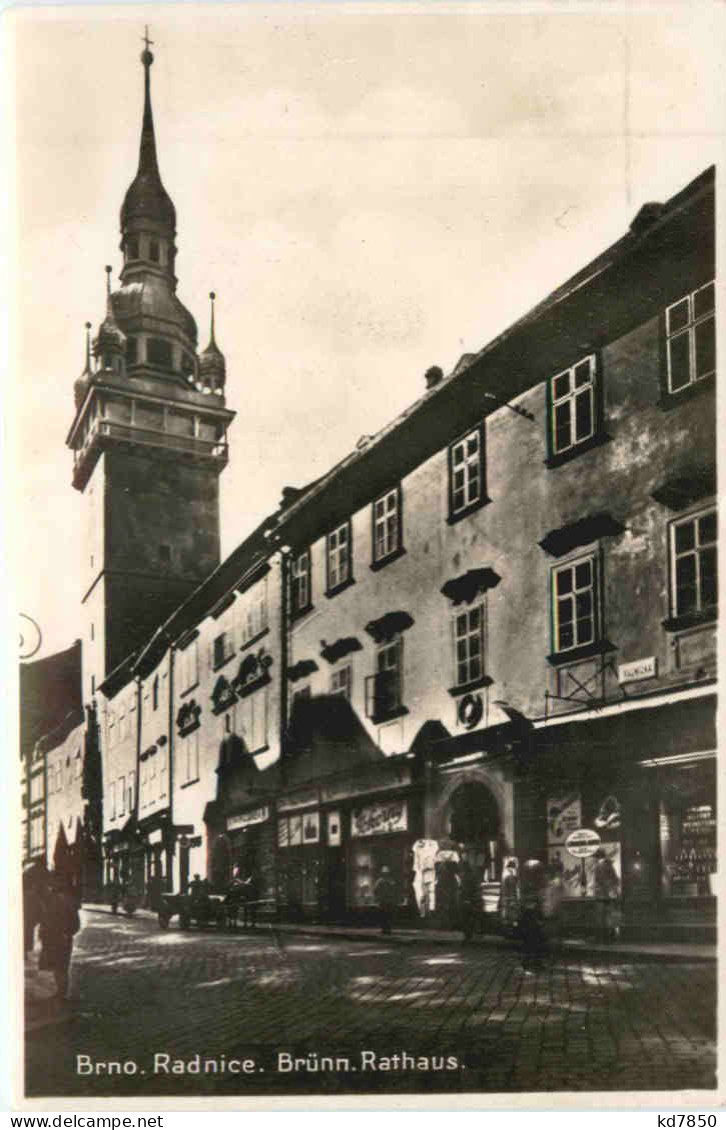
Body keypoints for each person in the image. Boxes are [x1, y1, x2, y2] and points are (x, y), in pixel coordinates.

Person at [39, 875, 81, 1000]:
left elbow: (75, 923)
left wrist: (67, 933)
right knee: (58, 965)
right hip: (55, 937)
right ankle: (60, 991)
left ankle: (62, 992)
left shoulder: (67, 901)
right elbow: (47, 918)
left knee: (61, 966)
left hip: (61, 938)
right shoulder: (52, 899)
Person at [518, 858, 546, 969]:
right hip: (530, 914)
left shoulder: (528, 883)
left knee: (533, 939)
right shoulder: (528, 885)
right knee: (532, 939)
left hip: (530, 914)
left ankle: (532, 961)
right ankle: (530, 961)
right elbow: (529, 901)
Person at [593, 848, 620, 943]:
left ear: (598, 857)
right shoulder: (609, 864)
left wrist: (601, 890)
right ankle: (611, 937)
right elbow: (616, 879)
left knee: (601, 917)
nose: (594, 859)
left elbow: (601, 881)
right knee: (609, 916)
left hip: (602, 895)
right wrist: (613, 891)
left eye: (595, 857)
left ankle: (603, 938)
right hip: (609, 894)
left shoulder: (600, 866)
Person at [498, 859, 519, 937]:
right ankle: (510, 931)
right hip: (509, 898)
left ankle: (508, 930)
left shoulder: (508, 875)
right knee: (510, 915)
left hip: (508, 898)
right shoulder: (509, 876)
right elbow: (510, 888)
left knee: (509, 915)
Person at [373, 866, 396, 935]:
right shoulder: (390, 881)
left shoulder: (380, 881)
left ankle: (385, 929)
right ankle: (387, 929)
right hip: (386, 901)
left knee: (384, 916)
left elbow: (375, 890)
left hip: (384, 901)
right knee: (386, 916)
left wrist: (378, 897)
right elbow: (394, 890)